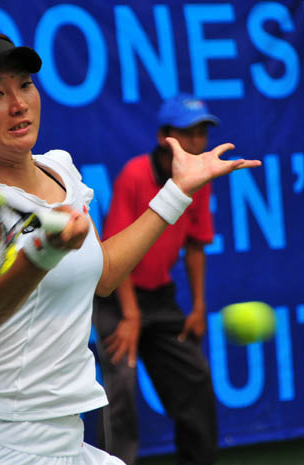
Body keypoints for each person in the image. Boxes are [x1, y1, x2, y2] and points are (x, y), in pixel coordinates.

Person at [0, 30, 260, 465]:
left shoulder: (61, 171)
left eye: (24, 85)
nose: (19, 104)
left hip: (64, 441)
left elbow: (106, 274)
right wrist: (43, 252)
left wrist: (176, 191)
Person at [93, 94, 222, 465]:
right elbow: (116, 254)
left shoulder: (200, 177)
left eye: (202, 132)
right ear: (165, 136)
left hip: (161, 299)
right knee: (119, 391)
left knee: (194, 380)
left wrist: (198, 307)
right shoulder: (135, 174)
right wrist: (130, 316)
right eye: (188, 132)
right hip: (117, 298)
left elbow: (196, 246)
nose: (197, 142)